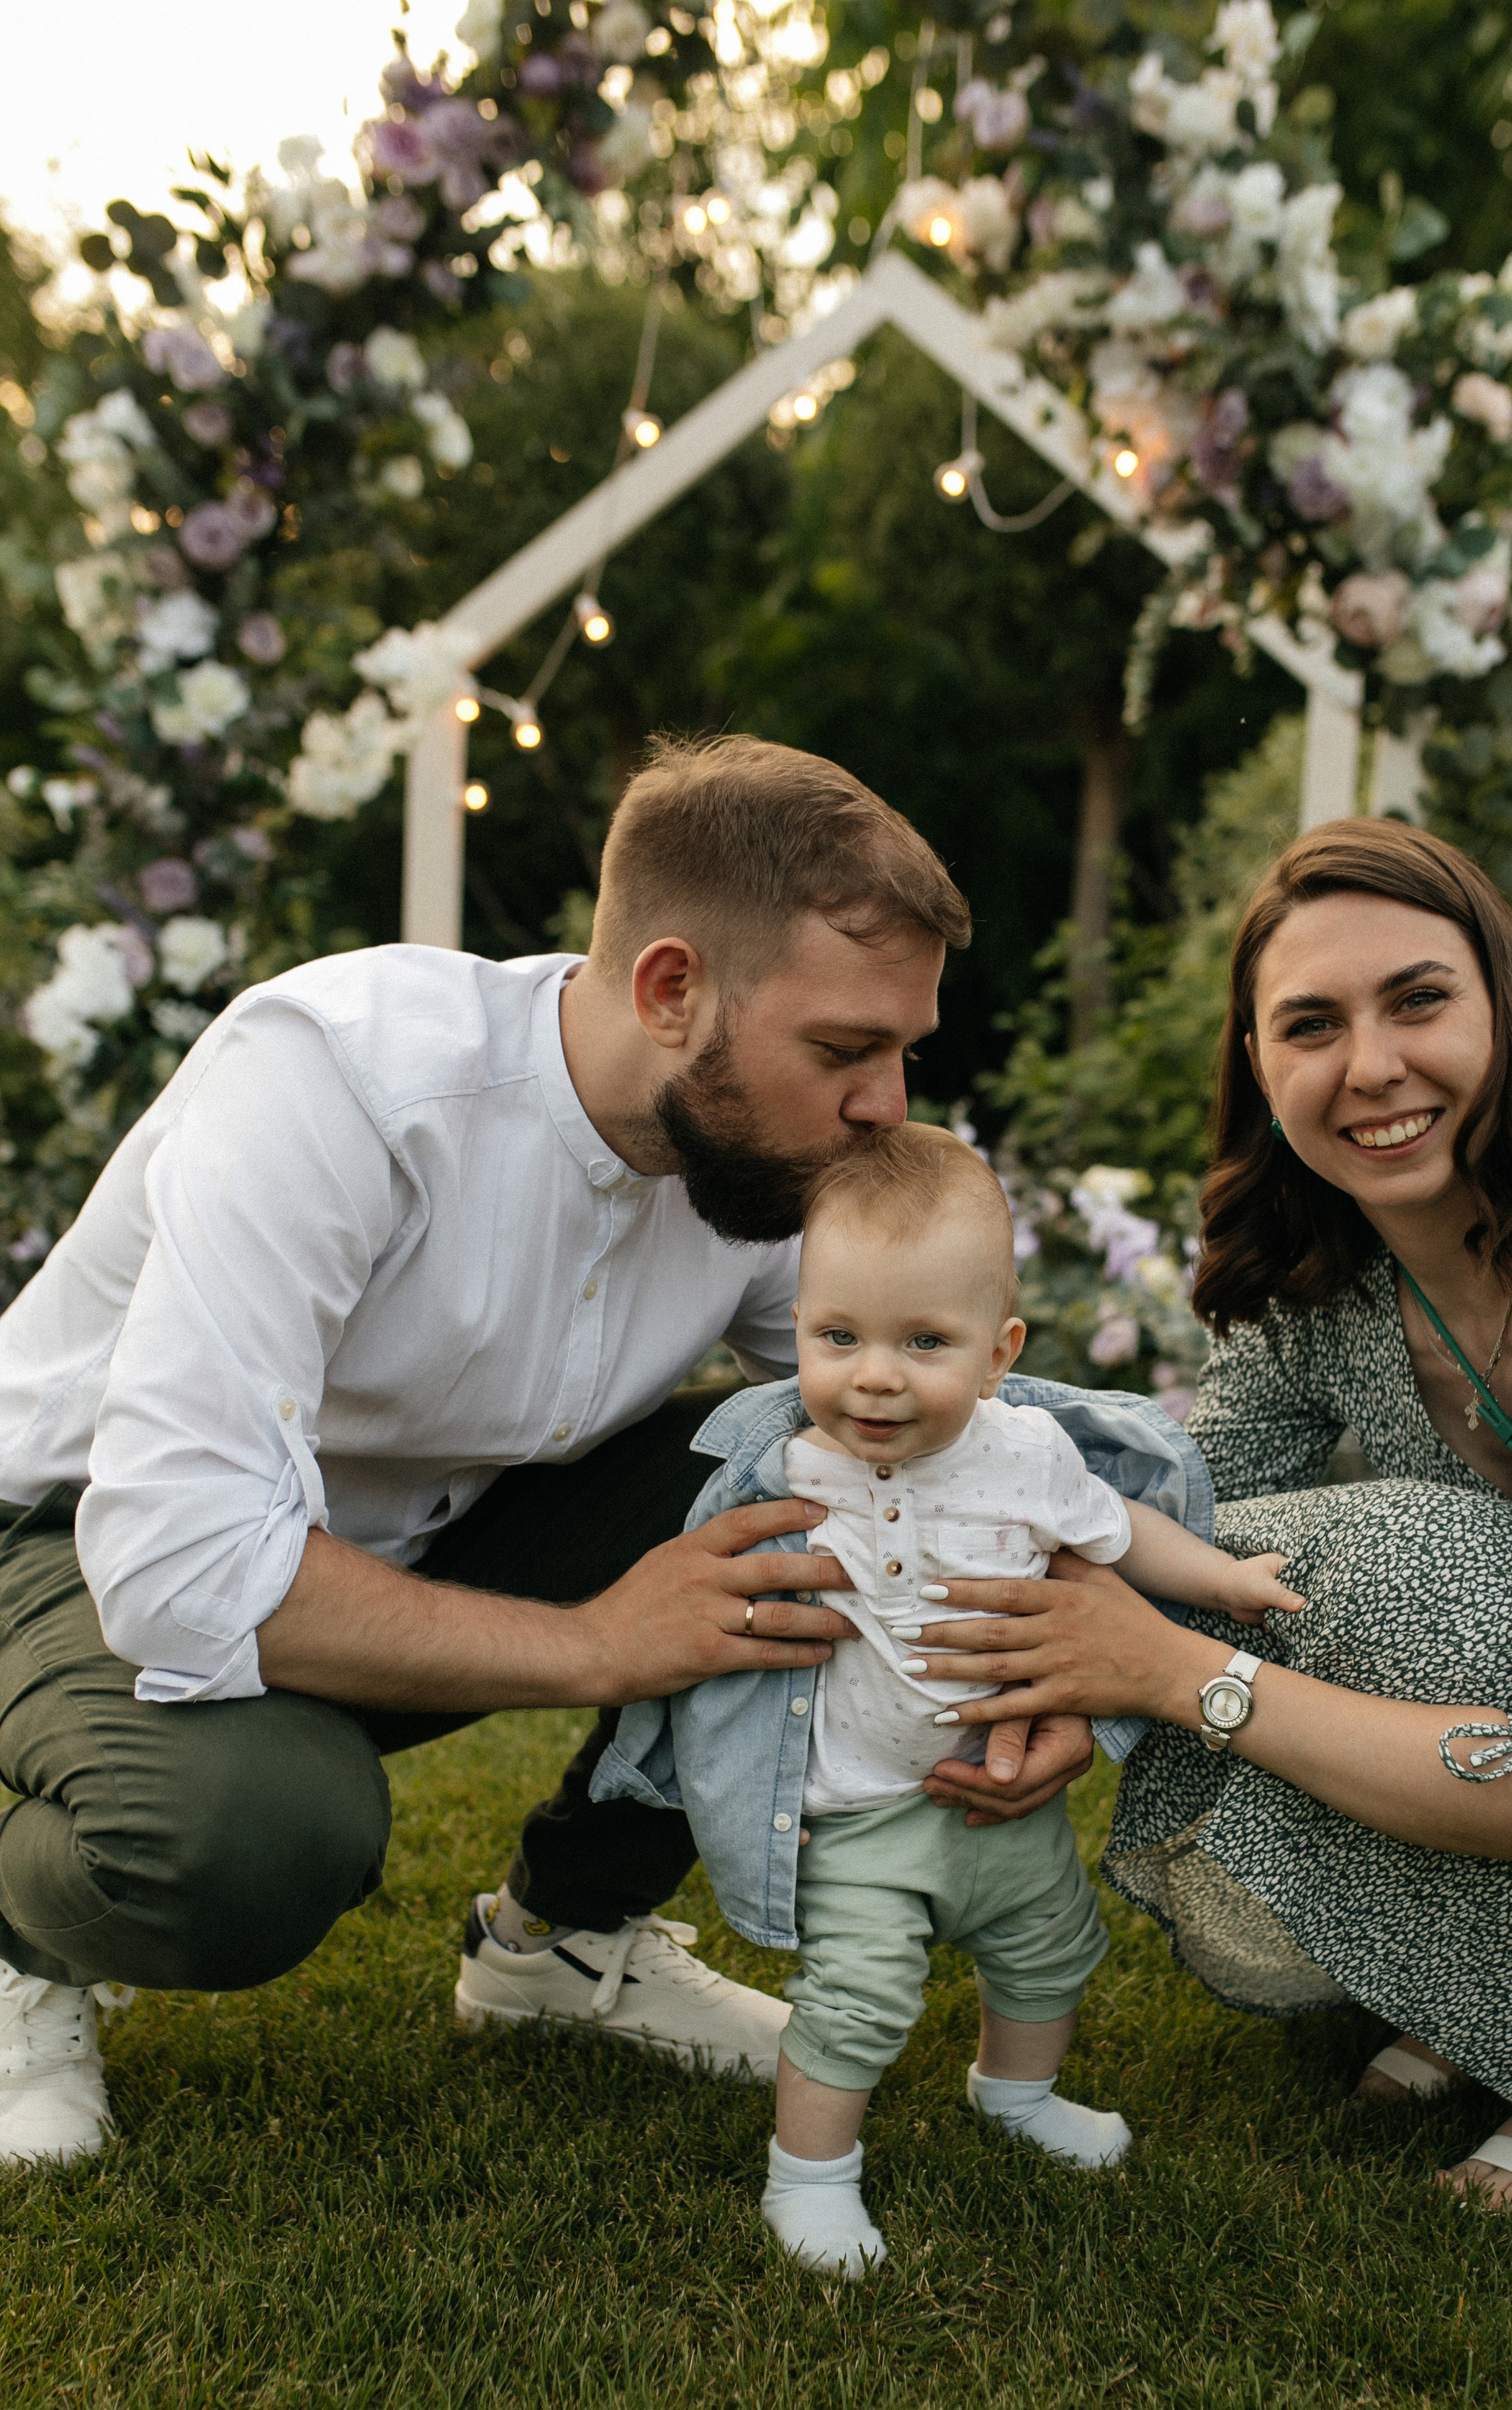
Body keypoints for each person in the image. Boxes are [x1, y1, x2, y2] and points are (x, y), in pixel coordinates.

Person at [0, 736, 1091, 2168]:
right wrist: (595, 1645)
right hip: (67, 1545)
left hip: (415, 1539)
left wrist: (1070, 1650)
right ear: (671, 988)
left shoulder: (756, 1165)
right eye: (842, 1051)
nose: (887, 1104)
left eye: (900, 1053)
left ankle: (561, 1946)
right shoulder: (338, 1081)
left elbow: (964, 1447)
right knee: (250, 1839)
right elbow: (180, 1567)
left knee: (818, 1492)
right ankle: (20, 1948)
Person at [886, 820, 1512, 2213]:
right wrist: (1065, 1695)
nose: (1370, 1065)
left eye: (1418, 1001)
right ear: (1261, 1073)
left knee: (1371, 1572)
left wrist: (1169, 1678)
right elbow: (1160, 1526)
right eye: (1309, 1025)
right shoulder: (1316, 1281)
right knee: (1236, 1552)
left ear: (1507, 1015)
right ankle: (1505, 2002)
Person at [599, 1123, 1299, 2275]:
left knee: (1052, 1949)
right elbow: (710, 1590)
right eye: (837, 1337)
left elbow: (1127, 1537)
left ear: (998, 1350)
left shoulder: (1027, 1457)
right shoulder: (786, 1468)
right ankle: (808, 2181)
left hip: (994, 1791)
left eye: (924, 1341)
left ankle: (1015, 2095)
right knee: (863, 1997)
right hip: (858, 1807)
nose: (873, 1376)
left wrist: (1225, 1579)